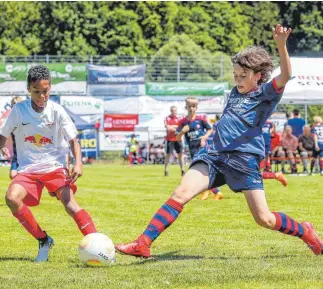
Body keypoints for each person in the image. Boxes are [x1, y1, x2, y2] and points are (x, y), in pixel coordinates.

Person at [115, 25, 323, 258]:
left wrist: (282, 45)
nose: (238, 80)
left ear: (258, 76)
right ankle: (143, 243)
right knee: (180, 193)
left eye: (243, 76)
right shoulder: (235, 92)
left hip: (244, 161)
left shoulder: (265, 94)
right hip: (214, 155)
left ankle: (305, 231)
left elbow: (285, 76)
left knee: (264, 219)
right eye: (235, 75)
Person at [0, 65, 97, 262]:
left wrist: (78, 164)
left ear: (50, 88)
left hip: (54, 167)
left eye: (46, 91)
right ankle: (43, 240)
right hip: (28, 169)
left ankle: (97, 243)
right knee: (12, 198)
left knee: (70, 205)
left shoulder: (57, 111)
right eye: (36, 92)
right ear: (28, 90)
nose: (42, 96)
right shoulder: (19, 110)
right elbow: (1, 137)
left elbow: (73, 140)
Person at [176, 97, 224, 201]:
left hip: (202, 148)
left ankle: (208, 192)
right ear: (186, 107)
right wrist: (182, 132)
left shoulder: (201, 120)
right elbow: (177, 138)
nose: (191, 108)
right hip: (191, 149)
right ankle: (214, 192)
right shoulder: (183, 122)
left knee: (200, 171)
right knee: (202, 171)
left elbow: (210, 129)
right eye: (189, 106)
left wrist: (205, 137)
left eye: (193, 106)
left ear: (196, 107)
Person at [164, 106, 185, 177]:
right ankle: (166, 171)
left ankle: (182, 170)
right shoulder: (167, 118)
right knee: (168, 155)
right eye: (172, 110)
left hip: (178, 139)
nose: (174, 112)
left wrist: (172, 126)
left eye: (175, 110)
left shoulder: (179, 118)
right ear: (170, 111)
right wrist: (176, 127)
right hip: (170, 139)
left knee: (180, 155)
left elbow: (182, 127)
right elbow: (168, 128)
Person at [9, 96, 24, 179]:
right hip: (16, 155)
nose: (14, 107)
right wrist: (3, 147)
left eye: (16, 105)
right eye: (12, 105)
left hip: (27, 156)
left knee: (15, 176)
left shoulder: (27, 119)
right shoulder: (10, 120)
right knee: (12, 176)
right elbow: (2, 135)